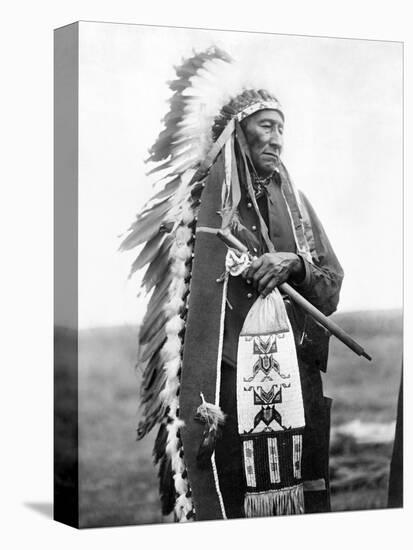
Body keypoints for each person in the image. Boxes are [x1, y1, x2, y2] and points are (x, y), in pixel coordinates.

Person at [122, 48, 343, 522]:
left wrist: (296, 266)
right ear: (236, 132)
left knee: (302, 500)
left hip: (295, 380)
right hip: (224, 386)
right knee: (232, 504)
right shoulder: (198, 210)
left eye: (282, 128)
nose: (277, 139)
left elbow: (331, 285)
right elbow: (181, 310)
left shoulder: (297, 208)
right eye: (266, 126)